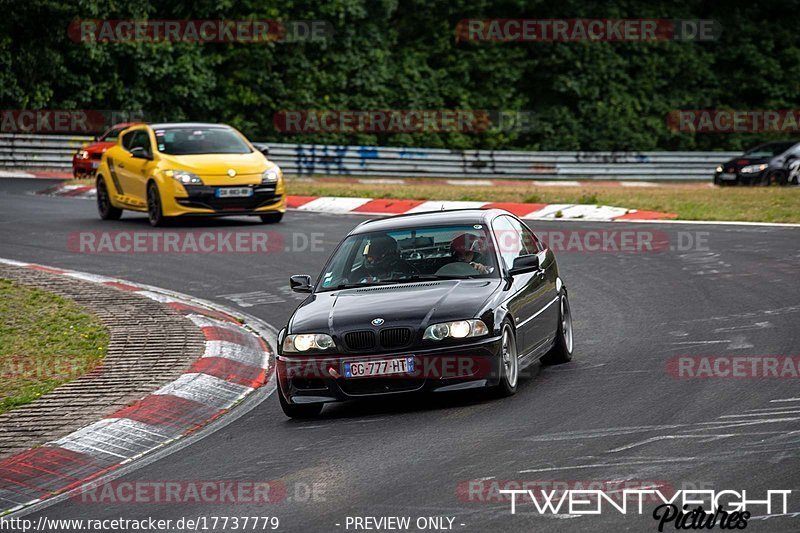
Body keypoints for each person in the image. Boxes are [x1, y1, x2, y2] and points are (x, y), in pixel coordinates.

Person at [350, 234, 415, 283]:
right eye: (369, 251)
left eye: (374, 251)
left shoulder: (407, 270)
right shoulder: (358, 275)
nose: (370, 258)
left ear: (387, 253)